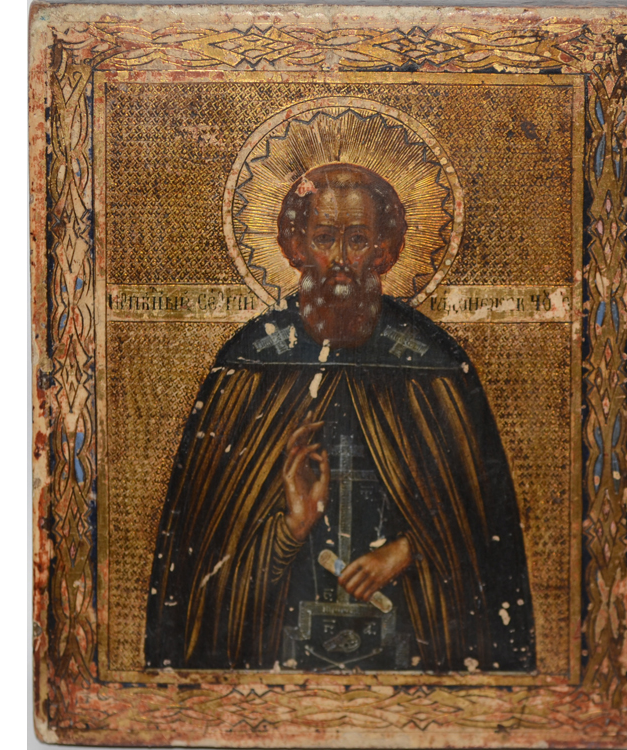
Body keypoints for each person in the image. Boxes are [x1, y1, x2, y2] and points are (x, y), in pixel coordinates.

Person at [145, 163, 536, 673]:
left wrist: (407, 550)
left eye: (357, 240)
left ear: (385, 250)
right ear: (295, 246)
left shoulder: (433, 367)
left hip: (411, 655)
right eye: (324, 238)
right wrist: (291, 528)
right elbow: (203, 565)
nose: (340, 260)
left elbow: (482, 533)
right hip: (278, 658)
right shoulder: (251, 365)